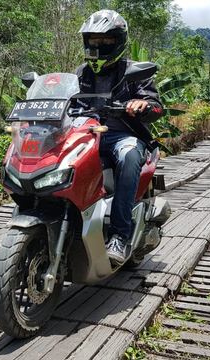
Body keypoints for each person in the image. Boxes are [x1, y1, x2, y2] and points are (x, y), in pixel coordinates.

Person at [75, 9, 163, 265]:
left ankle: (120, 236)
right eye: (93, 40)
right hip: (86, 135)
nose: (99, 45)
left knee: (128, 156)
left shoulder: (135, 72)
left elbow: (156, 107)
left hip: (123, 135)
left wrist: (142, 105)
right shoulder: (81, 74)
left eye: (106, 41)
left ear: (119, 41)